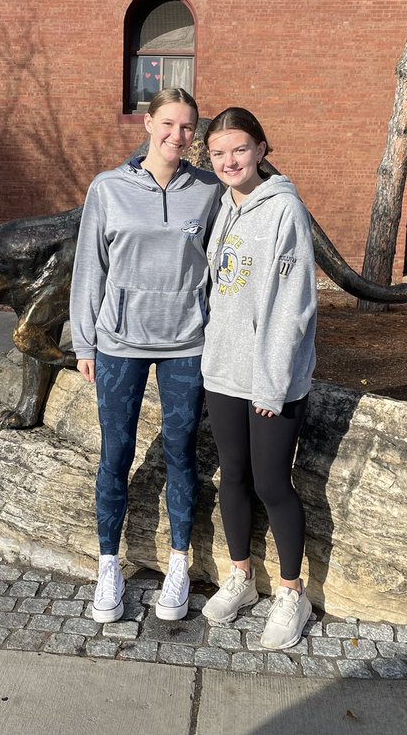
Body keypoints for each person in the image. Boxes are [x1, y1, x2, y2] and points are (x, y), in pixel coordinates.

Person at [70, 88, 224, 624]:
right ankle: (109, 564)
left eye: (187, 128)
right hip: (119, 343)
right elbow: (90, 267)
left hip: (188, 343)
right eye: (168, 124)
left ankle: (179, 565)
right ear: (147, 123)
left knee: (182, 453)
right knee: (116, 454)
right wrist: (83, 341)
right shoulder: (109, 188)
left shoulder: (207, 190)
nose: (177, 136)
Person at [198, 107, 318, 650]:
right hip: (222, 370)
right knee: (234, 477)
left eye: (239, 149)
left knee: (272, 483)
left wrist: (271, 383)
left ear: (262, 149)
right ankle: (242, 576)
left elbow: (294, 308)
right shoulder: (223, 207)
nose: (229, 161)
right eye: (218, 152)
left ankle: (292, 594)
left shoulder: (284, 210)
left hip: (271, 379)